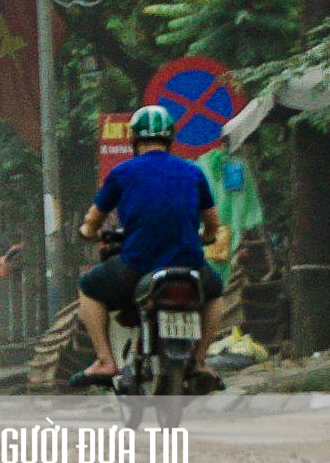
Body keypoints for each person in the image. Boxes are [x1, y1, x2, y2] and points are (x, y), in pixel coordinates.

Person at [74, 103, 227, 383]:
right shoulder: (192, 172)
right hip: (189, 263)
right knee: (215, 292)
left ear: (134, 139)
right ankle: (201, 360)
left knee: (88, 289)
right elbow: (214, 222)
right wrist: (207, 236)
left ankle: (106, 362)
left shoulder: (122, 172)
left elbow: (94, 217)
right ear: (170, 138)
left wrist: (88, 231)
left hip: (137, 264)